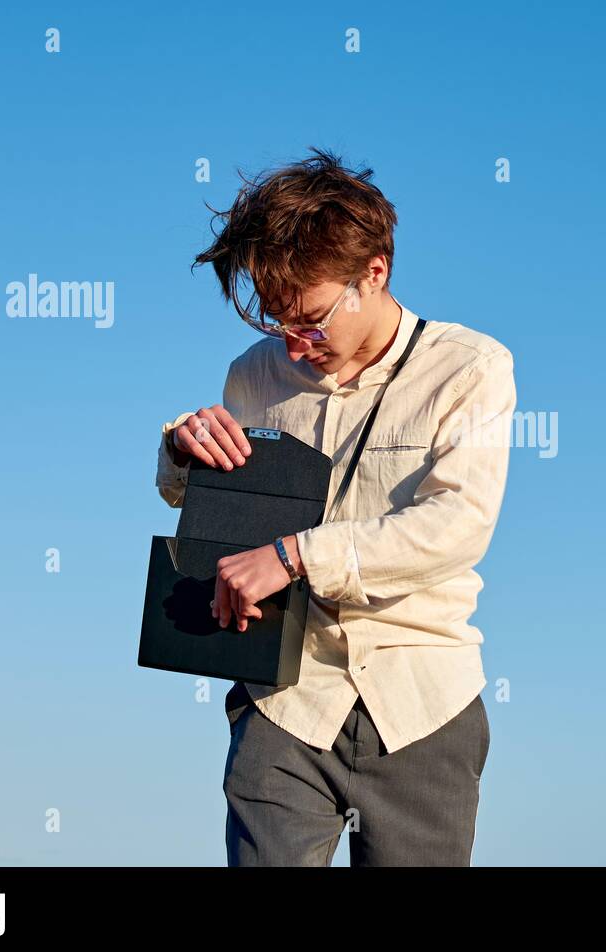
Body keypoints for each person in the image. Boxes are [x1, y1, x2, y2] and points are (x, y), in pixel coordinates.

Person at [154, 148, 516, 866]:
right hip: (282, 703)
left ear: (374, 272)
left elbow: (457, 527)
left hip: (422, 708)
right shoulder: (253, 375)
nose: (296, 342)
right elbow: (205, 503)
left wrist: (295, 556)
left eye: (313, 319)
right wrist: (182, 453)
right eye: (277, 319)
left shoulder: (471, 368)